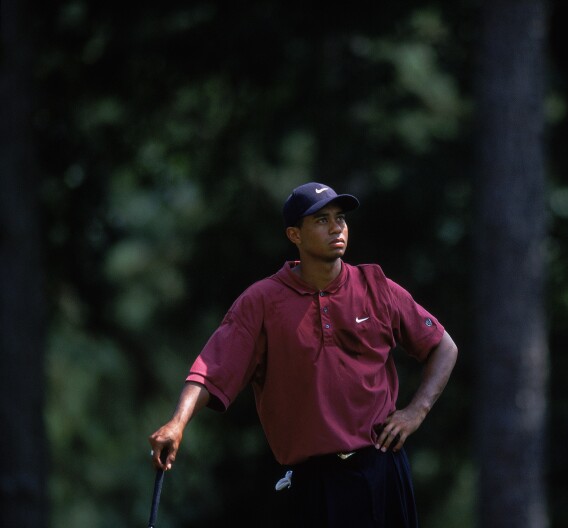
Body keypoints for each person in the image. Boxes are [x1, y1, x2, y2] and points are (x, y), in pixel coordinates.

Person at [148, 182, 458, 527]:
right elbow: (210, 371)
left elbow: (443, 346)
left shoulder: (377, 287)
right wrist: (177, 423)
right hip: (314, 483)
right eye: (321, 220)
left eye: (340, 218)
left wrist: (417, 411)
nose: (336, 227)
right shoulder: (261, 302)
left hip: (382, 469)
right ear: (294, 234)